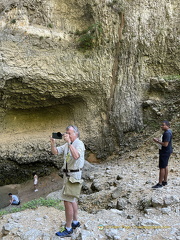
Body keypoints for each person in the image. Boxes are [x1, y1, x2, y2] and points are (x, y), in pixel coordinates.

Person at [50, 125, 85, 238]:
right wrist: (53, 143)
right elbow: (55, 152)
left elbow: (76, 156)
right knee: (72, 199)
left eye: (69, 133)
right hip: (68, 175)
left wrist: (69, 143)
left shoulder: (79, 144)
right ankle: (75, 221)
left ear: (76, 134)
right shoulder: (66, 144)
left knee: (67, 201)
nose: (67, 135)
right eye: (66, 133)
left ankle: (68, 228)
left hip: (74, 175)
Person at [152, 120, 173, 188]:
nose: (162, 126)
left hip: (165, 152)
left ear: (167, 126)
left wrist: (157, 141)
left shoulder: (167, 133)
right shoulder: (168, 132)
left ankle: (160, 183)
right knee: (165, 165)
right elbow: (165, 141)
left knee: (162, 167)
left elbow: (165, 144)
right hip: (167, 151)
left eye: (163, 125)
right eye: (162, 125)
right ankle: (165, 181)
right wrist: (159, 140)